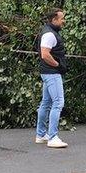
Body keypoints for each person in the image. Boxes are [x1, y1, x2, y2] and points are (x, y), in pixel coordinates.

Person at [35, 8, 68, 148]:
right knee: (58, 102)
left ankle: (41, 134)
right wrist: (58, 65)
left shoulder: (49, 31)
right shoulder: (49, 34)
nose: (63, 21)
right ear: (54, 20)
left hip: (47, 72)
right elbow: (45, 54)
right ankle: (53, 137)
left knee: (46, 103)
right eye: (61, 19)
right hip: (52, 73)